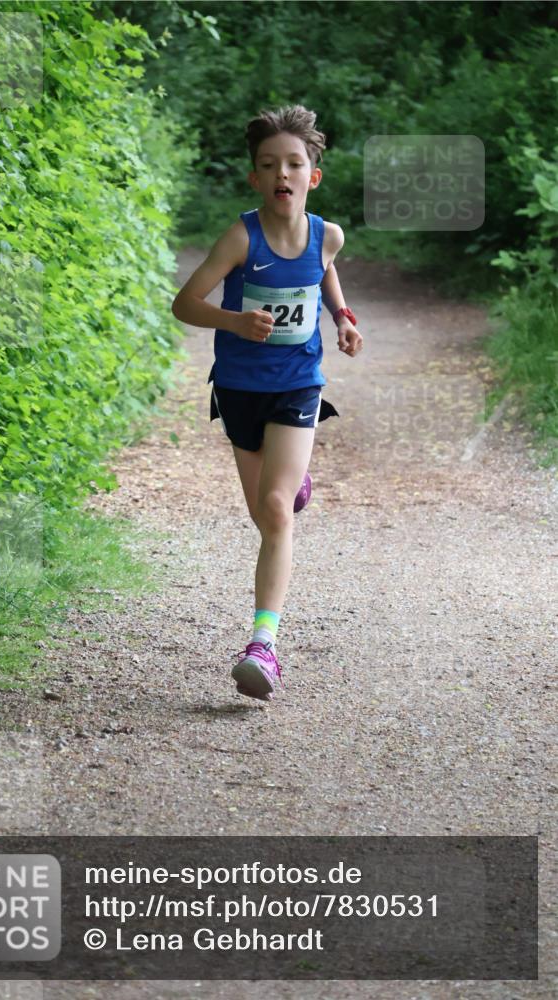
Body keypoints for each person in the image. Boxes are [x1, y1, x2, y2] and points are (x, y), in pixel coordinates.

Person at [171, 104, 363, 701]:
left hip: (298, 383)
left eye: (294, 163)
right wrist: (233, 319)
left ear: (313, 176)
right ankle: (293, 481)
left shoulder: (327, 234)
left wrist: (343, 317)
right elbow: (185, 304)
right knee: (266, 512)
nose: (283, 173)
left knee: (276, 510)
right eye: (268, 164)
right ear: (255, 178)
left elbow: (324, 270)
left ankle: (263, 645)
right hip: (238, 389)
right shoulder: (240, 236)